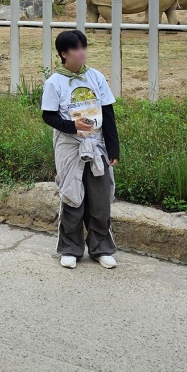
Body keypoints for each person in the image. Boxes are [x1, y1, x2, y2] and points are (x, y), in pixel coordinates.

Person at [41, 30, 120, 270]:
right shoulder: (55, 82)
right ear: (64, 54)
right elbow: (49, 116)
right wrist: (72, 126)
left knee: (100, 199)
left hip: (96, 145)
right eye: (75, 48)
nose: (81, 52)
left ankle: (101, 248)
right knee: (73, 196)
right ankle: (70, 248)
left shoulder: (96, 77)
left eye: (83, 47)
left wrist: (113, 148)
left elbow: (108, 113)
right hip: (69, 145)